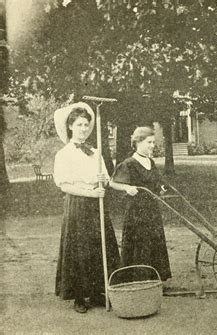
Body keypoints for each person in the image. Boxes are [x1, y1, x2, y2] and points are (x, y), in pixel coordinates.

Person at [53, 102, 120, 313]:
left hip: (96, 203)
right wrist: (91, 192)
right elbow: (65, 185)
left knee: (99, 245)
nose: (83, 128)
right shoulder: (64, 154)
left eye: (86, 125)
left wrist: (103, 179)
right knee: (80, 248)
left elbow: (107, 179)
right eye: (80, 124)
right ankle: (80, 295)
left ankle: (98, 290)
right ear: (71, 126)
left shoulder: (95, 151)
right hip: (78, 204)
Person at [109, 127, 172, 283]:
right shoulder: (128, 163)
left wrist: (161, 188)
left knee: (154, 242)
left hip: (152, 209)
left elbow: (156, 182)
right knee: (140, 244)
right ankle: (138, 279)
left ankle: (153, 279)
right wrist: (127, 188)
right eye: (149, 142)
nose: (152, 145)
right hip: (136, 211)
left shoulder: (150, 161)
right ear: (138, 142)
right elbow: (113, 183)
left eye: (153, 142)